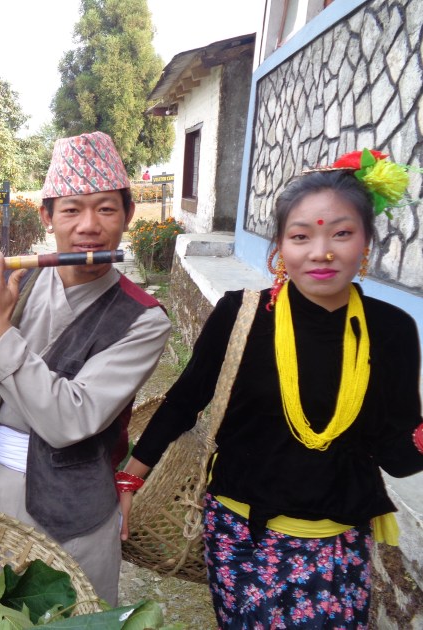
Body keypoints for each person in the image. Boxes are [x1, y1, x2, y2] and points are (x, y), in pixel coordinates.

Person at [120, 150, 423, 628]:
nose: (321, 252)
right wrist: (130, 479)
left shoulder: (391, 331)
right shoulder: (240, 316)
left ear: (366, 241)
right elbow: (183, 401)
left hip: (339, 541)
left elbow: (398, 455)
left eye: (341, 233)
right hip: (241, 535)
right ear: (279, 246)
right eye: (301, 236)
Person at [0, 131, 172, 605]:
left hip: (73, 515)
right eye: (71, 210)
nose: (89, 225)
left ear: (128, 215)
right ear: (48, 217)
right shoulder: (20, 280)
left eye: (106, 209)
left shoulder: (144, 319)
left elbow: (70, 419)